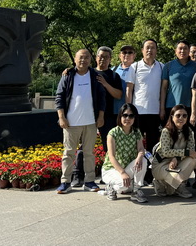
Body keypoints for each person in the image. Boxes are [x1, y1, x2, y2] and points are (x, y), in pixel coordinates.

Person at [54, 49, 106, 194]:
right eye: (81, 57)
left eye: (87, 57)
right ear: (75, 59)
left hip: (90, 122)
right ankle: (65, 182)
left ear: (90, 60)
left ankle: (89, 181)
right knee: (68, 153)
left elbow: (102, 98)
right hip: (71, 123)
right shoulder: (68, 75)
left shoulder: (95, 76)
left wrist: (100, 116)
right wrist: (61, 117)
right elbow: (59, 97)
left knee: (89, 153)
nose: (83, 60)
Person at [71, 46, 123, 186]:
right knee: (84, 146)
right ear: (96, 57)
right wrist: (68, 70)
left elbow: (118, 95)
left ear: (110, 59)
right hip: (88, 115)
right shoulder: (89, 73)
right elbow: (75, 71)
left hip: (108, 116)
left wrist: (105, 84)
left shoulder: (114, 76)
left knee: (109, 146)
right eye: (100, 56)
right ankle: (77, 175)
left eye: (106, 57)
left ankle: (108, 174)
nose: (103, 59)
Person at [101, 103, 148, 203]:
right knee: (123, 186)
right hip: (112, 169)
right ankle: (110, 187)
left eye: (131, 116)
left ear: (135, 118)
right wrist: (122, 173)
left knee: (143, 160)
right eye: (125, 115)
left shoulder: (136, 132)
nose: (128, 118)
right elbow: (111, 156)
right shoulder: (113, 133)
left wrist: (140, 156)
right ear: (120, 116)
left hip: (127, 168)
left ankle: (136, 190)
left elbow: (141, 149)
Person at [151, 104, 196, 198]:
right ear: (172, 117)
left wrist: (176, 157)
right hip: (161, 164)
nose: (181, 118)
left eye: (184, 115)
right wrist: (183, 153)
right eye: (178, 115)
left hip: (177, 163)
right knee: (172, 184)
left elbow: (191, 151)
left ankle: (174, 185)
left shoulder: (188, 131)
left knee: (192, 160)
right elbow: (166, 152)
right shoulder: (166, 131)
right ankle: (161, 182)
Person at [130, 39, 164, 152]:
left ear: (156, 50)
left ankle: (151, 164)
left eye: (153, 47)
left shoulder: (161, 67)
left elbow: (163, 90)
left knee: (153, 144)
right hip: (138, 111)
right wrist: (128, 110)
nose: (150, 50)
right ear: (142, 50)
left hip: (155, 112)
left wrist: (162, 109)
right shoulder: (134, 67)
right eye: (147, 48)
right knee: (136, 144)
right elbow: (129, 90)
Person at [161, 40, 196, 113]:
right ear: (175, 51)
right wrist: (162, 108)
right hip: (171, 105)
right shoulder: (168, 66)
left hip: (190, 106)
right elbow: (164, 88)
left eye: (185, 48)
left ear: (189, 51)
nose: (182, 51)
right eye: (180, 48)